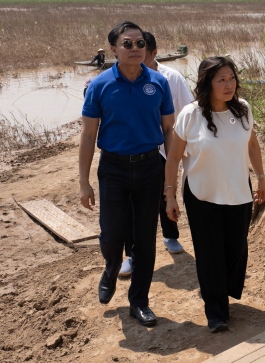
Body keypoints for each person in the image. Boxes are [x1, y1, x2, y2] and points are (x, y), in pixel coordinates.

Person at [78, 21, 176, 327]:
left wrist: (171, 179)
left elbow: (170, 129)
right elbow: (87, 134)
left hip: (150, 167)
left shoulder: (158, 83)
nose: (135, 49)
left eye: (140, 44)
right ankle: (111, 267)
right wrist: (83, 181)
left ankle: (139, 302)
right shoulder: (100, 85)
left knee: (145, 240)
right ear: (114, 50)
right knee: (112, 233)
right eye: (128, 44)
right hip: (114, 168)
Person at [164, 56, 265, 333]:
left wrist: (261, 178)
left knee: (235, 249)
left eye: (231, 78)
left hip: (238, 192)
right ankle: (216, 312)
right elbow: (173, 158)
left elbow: (253, 145)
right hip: (201, 194)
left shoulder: (243, 110)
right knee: (210, 254)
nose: (228, 84)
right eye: (221, 79)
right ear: (207, 83)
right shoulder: (191, 114)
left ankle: (221, 291)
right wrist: (170, 195)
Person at [117, 31, 194, 279]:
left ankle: (170, 236)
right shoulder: (122, 78)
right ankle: (131, 254)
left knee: (166, 194)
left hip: (165, 149)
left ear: (153, 53)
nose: (137, 59)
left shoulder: (170, 78)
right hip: (133, 151)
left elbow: (187, 111)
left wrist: (183, 149)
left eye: (143, 53)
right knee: (132, 205)